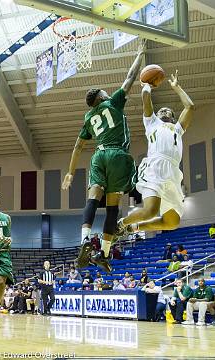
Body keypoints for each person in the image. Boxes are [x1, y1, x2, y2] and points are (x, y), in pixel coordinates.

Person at [62, 42, 147, 273]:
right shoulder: (113, 102)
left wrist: (70, 172)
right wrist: (139, 54)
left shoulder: (89, 117)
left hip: (98, 156)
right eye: (103, 92)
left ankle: (85, 241)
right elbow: (130, 78)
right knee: (112, 209)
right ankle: (105, 253)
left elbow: (78, 146)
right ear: (100, 97)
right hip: (118, 155)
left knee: (92, 199)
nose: (107, 92)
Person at [116, 70, 194, 237]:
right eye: (162, 111)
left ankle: (134, 228)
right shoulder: (151, 123)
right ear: (156, 115)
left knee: (172, 223)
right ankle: (122, 223)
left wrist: (177, 88)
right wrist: (147, 86)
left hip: (173, 172)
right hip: (155, 167)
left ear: (173, 119)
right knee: (150, 210)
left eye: (168, 112)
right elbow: (146, 99)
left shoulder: (178, 129)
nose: (165, 111)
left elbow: (190, 107)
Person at [0, 194, 13, 326]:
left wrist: (9, 240)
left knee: (1, 283)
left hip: (3, 254)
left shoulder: (7, 218)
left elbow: (8, 235)